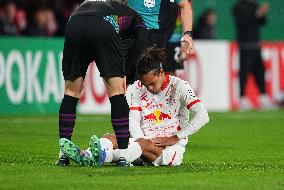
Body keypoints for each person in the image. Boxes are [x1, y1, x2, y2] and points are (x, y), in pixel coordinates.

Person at [59, 47, 209, 167]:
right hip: (141, 145)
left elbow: (203, 115)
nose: (148, 88)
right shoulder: (135, 88)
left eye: (152, 83)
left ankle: (98, 157)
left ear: (161, 73)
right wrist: (138, 140)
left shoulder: (180, 86)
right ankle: (86, 155)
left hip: (168, 152)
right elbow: (133, 120)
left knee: (139, 144)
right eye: (145, 84)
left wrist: (177, 137)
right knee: (110, 138)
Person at [56, 0, 147, 166]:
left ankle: (63, 154)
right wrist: (127, 70)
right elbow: (141, 41)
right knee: (117, 92)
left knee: (70, 92)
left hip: (74, 24)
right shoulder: (133, 15)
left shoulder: (91, 3)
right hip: (102, 27)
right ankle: (123, 155)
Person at [232, 0, 273, 110]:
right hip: (245, 45)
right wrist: (257, 14)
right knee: (244, 72)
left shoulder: (254, 5)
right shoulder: (238, 7)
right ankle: (242, 99)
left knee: (260, 71)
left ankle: (263, 97)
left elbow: (262, 22)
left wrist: (262, 13)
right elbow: (242, 23)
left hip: (256, 45)